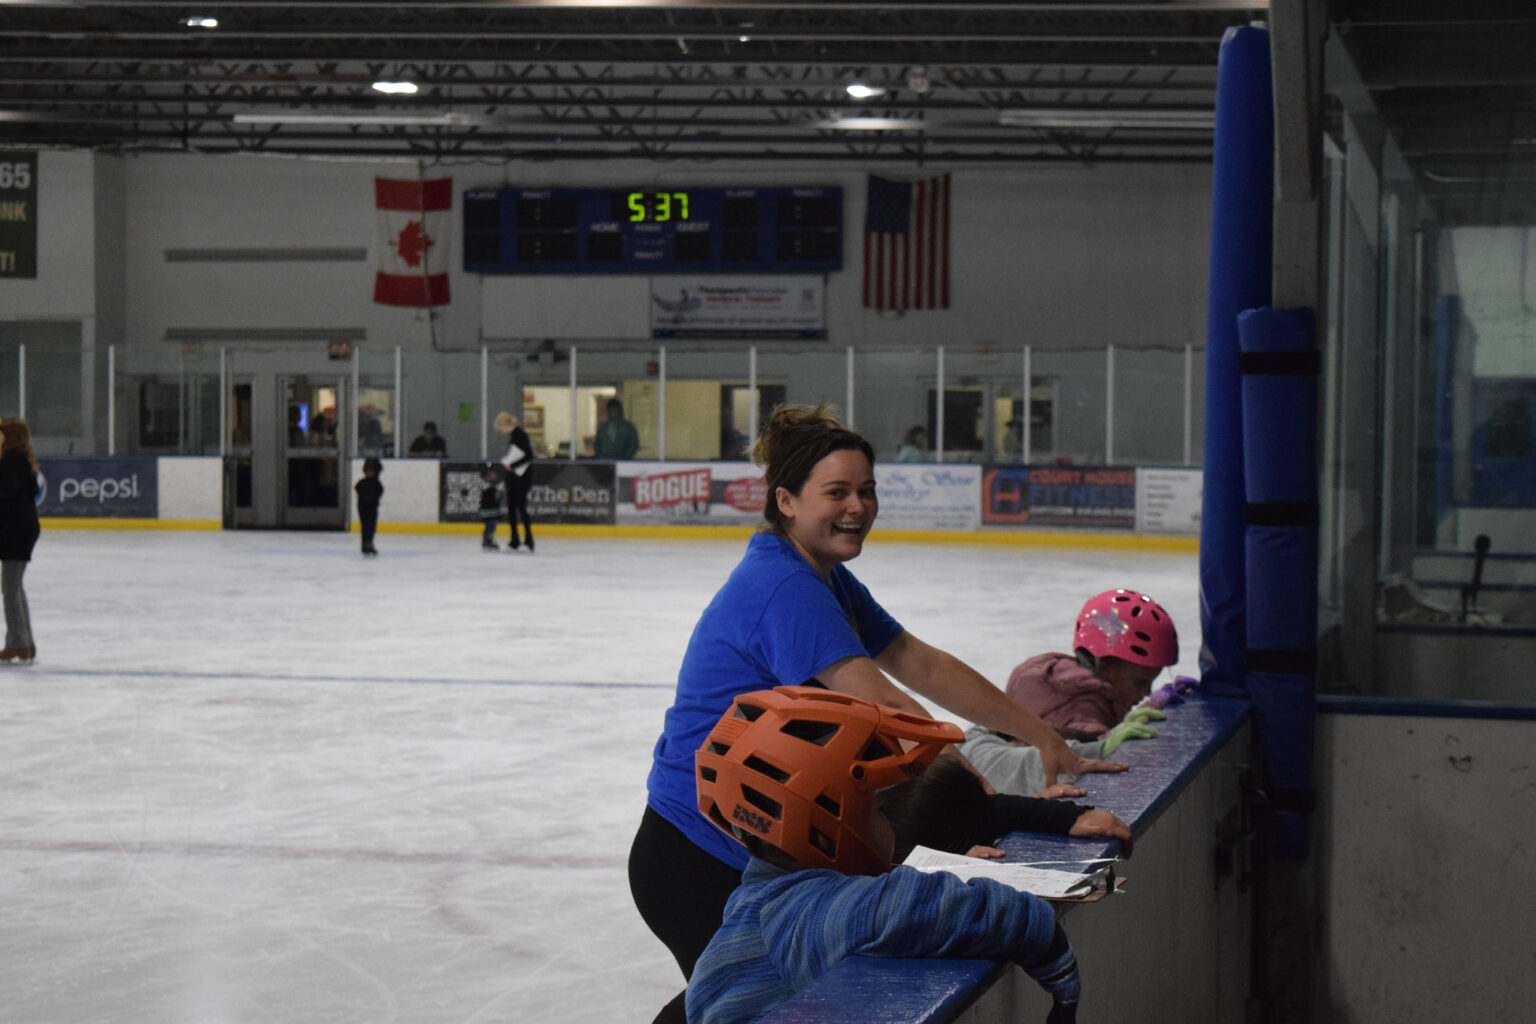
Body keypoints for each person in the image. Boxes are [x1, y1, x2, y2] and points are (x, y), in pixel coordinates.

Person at [629, 402, 1124, 1024]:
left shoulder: (821, 577)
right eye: (836, 492)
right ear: (786, 501)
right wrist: (995, 814)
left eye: (866, 490)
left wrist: (1041, 735)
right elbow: (890, 711)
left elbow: (919, 663)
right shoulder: (785, 588)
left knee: (740, 996)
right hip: (701, 853)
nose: (857, 506)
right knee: (740, 999)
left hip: (758, 839)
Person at [687, 686, 1086, 1024]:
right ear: (826, 828)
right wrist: (1041, 932)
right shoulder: (801, 914)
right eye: (879, 808)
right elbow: (924, 907)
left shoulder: (764, 902)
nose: (889, 825)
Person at [1005, 588, 1180, 738]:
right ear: (1105, 665)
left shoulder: (1059, 675)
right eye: (1140, 682)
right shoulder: (1083, 705)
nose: (1147, 692)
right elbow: (1096, 753)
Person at [0, 418, 41, 664]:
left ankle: (18, 643)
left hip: (15, 531)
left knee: (10, 587)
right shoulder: (20, 459)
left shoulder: (12, 460)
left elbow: (6, 490)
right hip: (21, 529)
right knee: (14, 586)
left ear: (10, 436)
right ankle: (25, 642)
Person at [494, 411, 534, 552]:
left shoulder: (520, 436)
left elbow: (529, 455)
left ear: (505, 424)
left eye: (501, 427)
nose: (501, 430)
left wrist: (514, 466)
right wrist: (506, 480)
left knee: (521, 507)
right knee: (512, 508)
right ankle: (515, 539)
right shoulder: (514, 437)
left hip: (522, 477)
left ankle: (528, 539)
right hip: (514, 477)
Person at [353, 457, 383, 556]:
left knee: (371, 526)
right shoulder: (362, 483)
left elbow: (379, 492)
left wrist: (373, 500)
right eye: (368, 471)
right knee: (365, 526)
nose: (370, 473)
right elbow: (357, 488)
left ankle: (369, 543)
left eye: (372, 471)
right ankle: (365, 544)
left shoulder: (377, 484)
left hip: (372, 507)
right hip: (363, 507)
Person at [478, 464, 503, 551]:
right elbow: (487, 497)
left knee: (492, 524)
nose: (493, 476)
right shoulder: (486, 486)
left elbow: (497, 498)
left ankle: (488, 539)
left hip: (493, 510)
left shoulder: (495, 486)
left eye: (494, 475)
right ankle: (487, 539)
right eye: (491, 475)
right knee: (490, 524)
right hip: (487, 510)